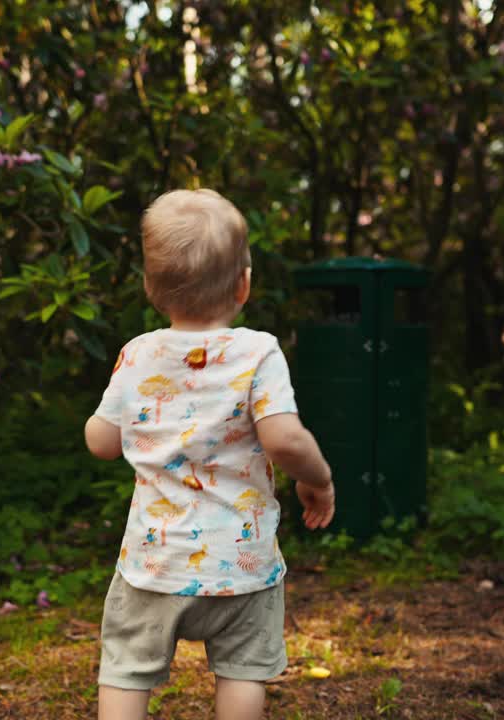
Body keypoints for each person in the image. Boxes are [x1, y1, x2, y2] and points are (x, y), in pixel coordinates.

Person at [84, 189, 335, 720]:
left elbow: (101, 443)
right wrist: (320, 480)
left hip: (153, 564)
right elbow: (286, 439)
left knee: (126, 667)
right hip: (242, 565)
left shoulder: (138, 355)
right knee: (243, 669)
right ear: (244, 284)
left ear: (151, 288)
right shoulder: (258, 353)